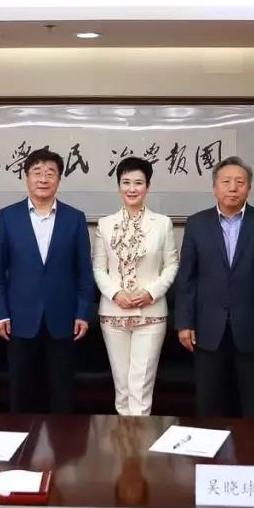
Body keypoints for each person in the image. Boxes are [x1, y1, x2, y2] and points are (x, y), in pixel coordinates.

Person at [175, 156, 254, 418]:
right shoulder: (197, 223)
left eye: (240, 182)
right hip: (207, 330)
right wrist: (184, 323)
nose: (233, 188)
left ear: (249, 187)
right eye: (226, 182)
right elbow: (187, 278)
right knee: (210, 407)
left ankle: (253, 445)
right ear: (214, 187)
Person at [0, 148, 95, 414]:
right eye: (37, 172)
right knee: (21, 394)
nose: (43, 179)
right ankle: (21, 441)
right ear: (26, 177)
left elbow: (84, 272)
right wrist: (0, 313)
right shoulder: (7, 217)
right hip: (19, 320)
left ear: (59, 179)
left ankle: (63, 441)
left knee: (62, 394)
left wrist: (83, 313)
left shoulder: (75, 218)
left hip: (64, 320)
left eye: (50, 173)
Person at [93, 157, 179, 416]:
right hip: (113, 313)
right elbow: (98, 268)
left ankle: (140, 440)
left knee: (140, 387)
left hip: (151, 314)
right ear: (119, 186)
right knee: (122, 386)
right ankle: (123, 440)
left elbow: (171, 265)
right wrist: (115, 293)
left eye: (138, 183)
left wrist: (152, 292)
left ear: (148, 186)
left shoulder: (162, 223)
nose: (132, 188)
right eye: (126, 182)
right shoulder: (105, 224)